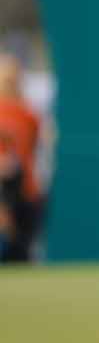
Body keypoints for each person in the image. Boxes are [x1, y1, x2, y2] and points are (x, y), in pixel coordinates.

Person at [0, 52, 44, 264]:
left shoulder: (29, 114)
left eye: (14, 75)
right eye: (6, 76)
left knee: (22, 252)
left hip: (26, 193)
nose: (11, 80)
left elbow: (32, 148)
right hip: (3, 194)